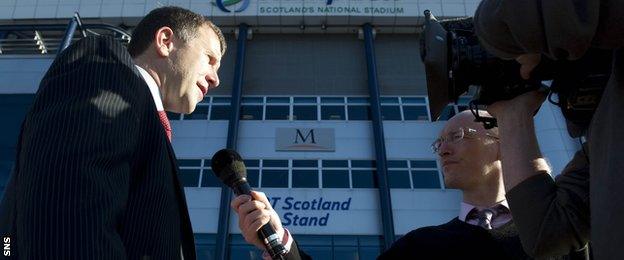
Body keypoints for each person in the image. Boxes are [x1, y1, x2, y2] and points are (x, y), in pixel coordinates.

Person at [0, 6, 226, 259]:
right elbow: (70, 209)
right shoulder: (106, 65)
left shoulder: (147, 124)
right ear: (165, 41)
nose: (216, 79)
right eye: (210, 58)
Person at [231, 110, 587, 260]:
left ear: (502, 140)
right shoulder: (422, 248)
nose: (443, 149)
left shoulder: (563, 232)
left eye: (458, 136)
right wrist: (281, 241)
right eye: (439, 142)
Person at [474, 0, 624, 259]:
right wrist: (513, 114)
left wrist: (505, 38)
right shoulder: (605, 138)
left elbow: (505, 18)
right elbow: (548, 233)